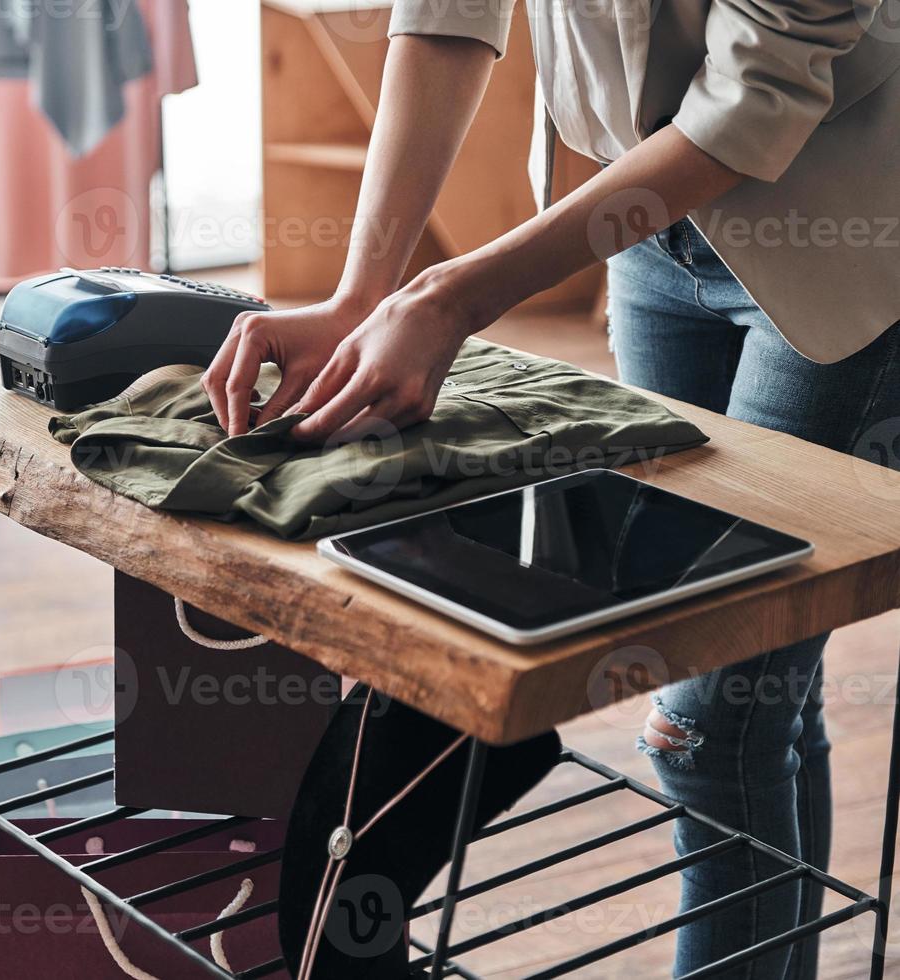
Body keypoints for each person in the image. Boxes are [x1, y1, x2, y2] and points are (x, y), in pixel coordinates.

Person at [201, 0, 900, 975]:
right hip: (647, 230)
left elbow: (750, 101)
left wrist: (447, 296)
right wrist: (364, 290)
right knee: (763, 688)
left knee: (708, 723)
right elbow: (448, 15)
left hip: (837, 235)